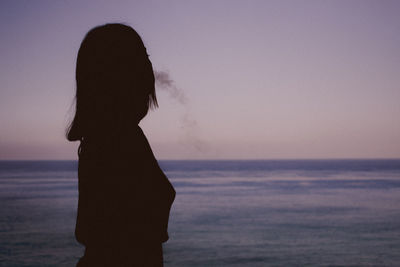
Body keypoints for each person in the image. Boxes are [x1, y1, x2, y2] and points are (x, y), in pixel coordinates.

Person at [66, 23, 176, 267]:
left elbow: (86, 229)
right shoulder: (121, 142)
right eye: (142, 56)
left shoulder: (102, 142)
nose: (149, 66)